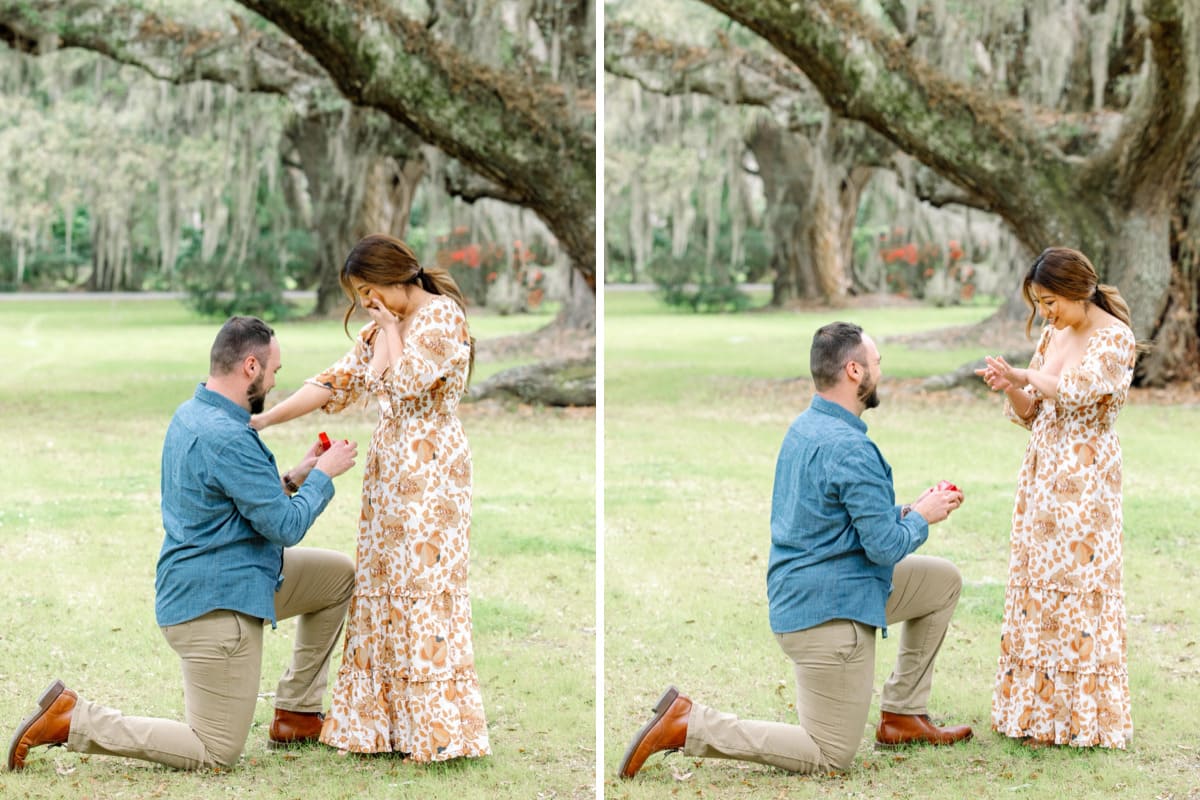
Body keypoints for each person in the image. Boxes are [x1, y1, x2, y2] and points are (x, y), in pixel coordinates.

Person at [619, 321, 972, 779]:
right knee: (829, 754)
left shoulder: (806, 427)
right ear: (853, 371)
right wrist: (923, 518)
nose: (881, 372)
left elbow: (838, 521)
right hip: (827, 616)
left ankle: (902, 714)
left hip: (810, 591)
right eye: (877, 364)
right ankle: (690, 724)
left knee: (941, 581)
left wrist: (911, 509)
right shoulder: (851, 448)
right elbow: (884, 548)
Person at [7, 316, 359, 772]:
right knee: (215, 752)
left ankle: (297, 712)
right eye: (274, 371)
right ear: (250, 366)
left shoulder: (195, 412)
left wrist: (295, 477)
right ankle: (73, 720)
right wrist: (326, 476)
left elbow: (234, 498)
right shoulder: (229, 436)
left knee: (336, 577)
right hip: (215, 606)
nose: (275, 381)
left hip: (233, 575)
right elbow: (286, 528)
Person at [251, 234, 490, 762]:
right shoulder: (380, 327)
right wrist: (266, 418)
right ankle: (380, 728)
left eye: (368, 289)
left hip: (432, 471)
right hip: (388, 473)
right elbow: (335, 383)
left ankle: (435, 732)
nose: (365, 301)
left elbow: (405, 384)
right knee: (383, 585)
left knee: (422, 586)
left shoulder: (441, 318)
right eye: (359, 294)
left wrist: (386, 329)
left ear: (393, 276)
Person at [975, 247, 1136, 749]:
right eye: (1040, 302)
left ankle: (1079, 720)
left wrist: (1028, 376)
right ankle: (1035, 716)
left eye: (1050, 301)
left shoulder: (1115, 339)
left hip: (1085, 482)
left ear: (1079, 290)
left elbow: (1072, 391)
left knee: (1076, 589)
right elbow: (1033, 412)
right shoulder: (1054, 332)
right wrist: (1010, 385)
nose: (1046, 312)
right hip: (1042, 476)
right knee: (1037, 588)